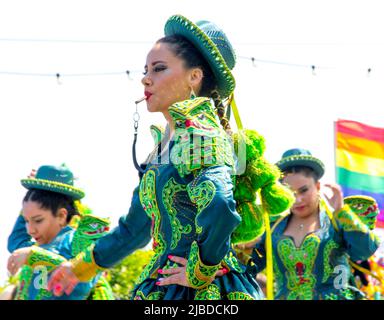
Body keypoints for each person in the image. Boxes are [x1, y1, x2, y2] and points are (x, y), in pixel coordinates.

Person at [47, 14, 293, 300]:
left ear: (194, 76)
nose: (145, 78)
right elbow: (135, 230)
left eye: (159, 69)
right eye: (146, 69)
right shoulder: (163, 145)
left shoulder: (199, 133)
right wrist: (79, 267)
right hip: (165, 286)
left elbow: (221, 206)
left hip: (203, 292)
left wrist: (201, 269)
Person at [248, 148, 381, 300]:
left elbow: (365, 250)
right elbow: (248, 267)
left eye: (303, 190)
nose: (297, 199)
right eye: (290, 192)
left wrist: (342, 211)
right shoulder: (272, 228)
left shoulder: (337, 222)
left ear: (317, 187)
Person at [7, 164, 113, 300]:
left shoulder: (78, 240)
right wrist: (34, 191)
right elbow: (15, 242)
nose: (30, 230)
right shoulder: (32, 247)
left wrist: (34, 256)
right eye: (27, 221)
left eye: (38, 220)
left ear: (62, 216)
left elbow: (82, 284)